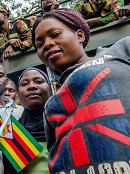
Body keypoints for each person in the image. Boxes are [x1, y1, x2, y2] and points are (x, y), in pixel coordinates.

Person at [32, 8, 130, 173]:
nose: (47, 44)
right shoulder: (50, 104)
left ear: (80, 35)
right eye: (40, 45)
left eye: (55, 34)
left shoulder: (120, 51)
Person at [4, 68, 51, 174]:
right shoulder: (12, 133)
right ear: (18, 95)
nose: (31, 86)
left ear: (50, 88)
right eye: (24, 84)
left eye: (39, 82)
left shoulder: (67, 122)